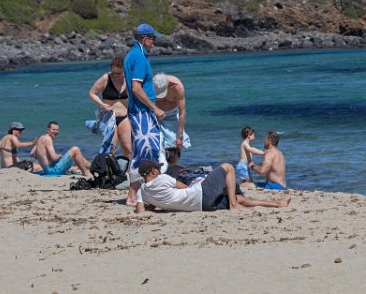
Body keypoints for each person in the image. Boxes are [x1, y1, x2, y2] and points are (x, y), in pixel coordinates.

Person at [135, 160, 291, 213]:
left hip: (202, 207)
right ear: (154, 171)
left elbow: (141, 211)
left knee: (240, 197)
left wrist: (155, 204)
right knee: (228, 167)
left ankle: (277, 204)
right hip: (199, 195)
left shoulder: (142, 191)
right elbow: (183, 187)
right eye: (158, 168)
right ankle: (233, 205)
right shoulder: (162, 178)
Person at [123, 23, 165, 206]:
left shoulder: (131, 55)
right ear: (145, 38)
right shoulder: (139, 57)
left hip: (137, 111)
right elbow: (136, 87)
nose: (154, 43)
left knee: (140, 153)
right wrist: (154, 108)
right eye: (153, 39)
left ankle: (137, 195)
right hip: (142, 113)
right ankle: (135, 196)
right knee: (148, 152)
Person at [88, 56, 132, 158]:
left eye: (119, 73)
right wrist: (102, 104)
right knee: (112, 148)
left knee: (128, 147)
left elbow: (136, 94)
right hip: (109, 118)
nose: (116, 75)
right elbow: (92, 93)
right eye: (114, 72)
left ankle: (128, 170)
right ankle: (109, 171)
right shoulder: (106, 78)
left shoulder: (128, 79)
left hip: (124, 116)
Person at [153, 73, 191, 162]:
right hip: (155, 116)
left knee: (174, 146)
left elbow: (182, 112)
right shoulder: (151, 85)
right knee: (156, 145)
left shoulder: (177, 87)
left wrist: (180, 134)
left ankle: (172, 168)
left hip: (172, 116)